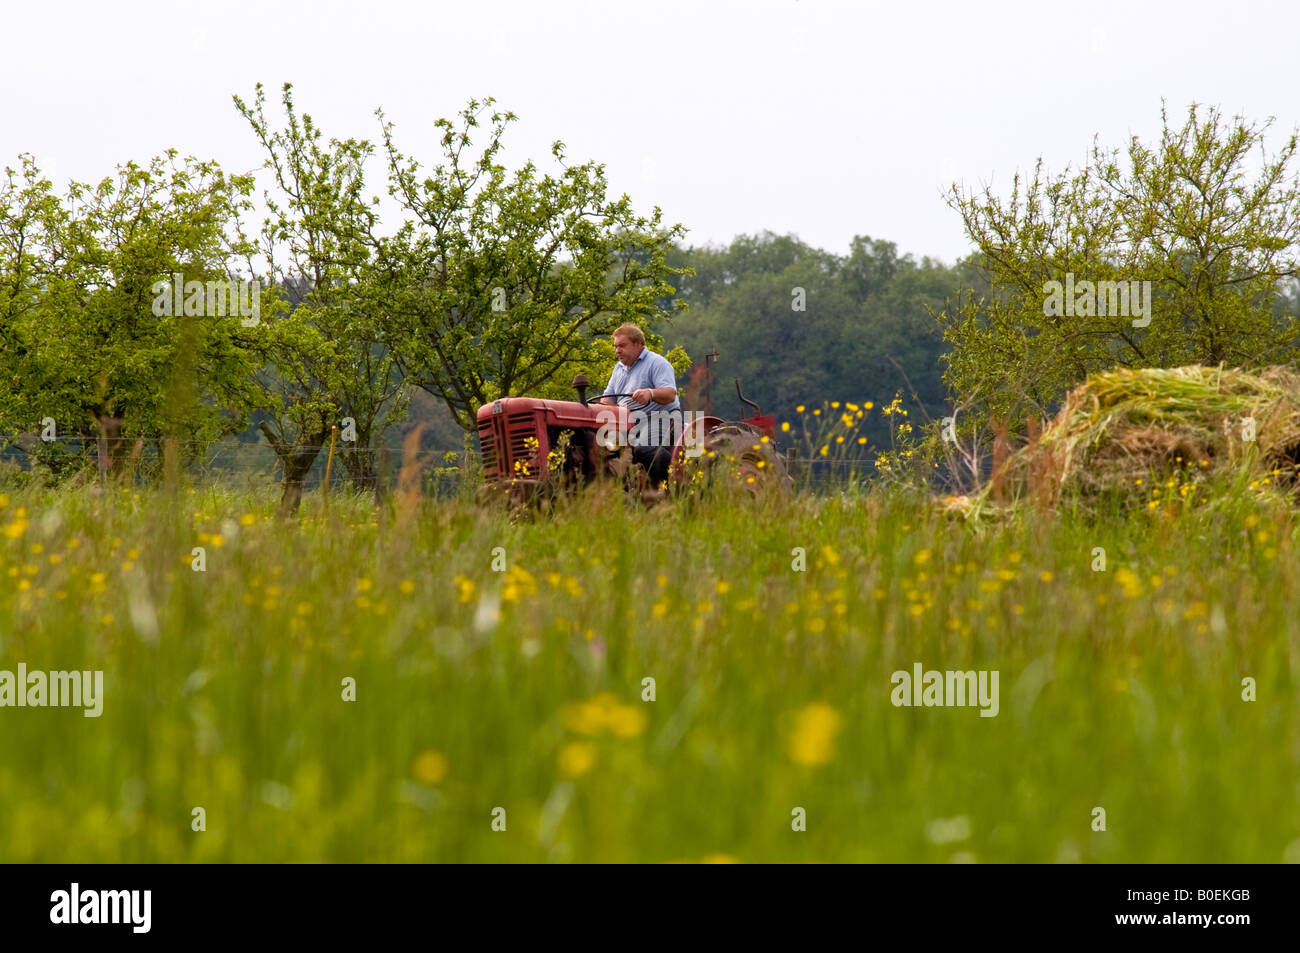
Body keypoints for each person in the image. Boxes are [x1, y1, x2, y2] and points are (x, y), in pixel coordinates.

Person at [601, 323, 680, 486]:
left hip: (658, 416)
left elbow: (670, 394)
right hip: (627, 422)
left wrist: (650, 393)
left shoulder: (657, 363)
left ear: (638, 344)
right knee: (599, 450)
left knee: (643, 449)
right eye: (616, 346)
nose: (617, 351)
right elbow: (608, 399)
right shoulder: (619, 368)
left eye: (622, 346)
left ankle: (678, 478)